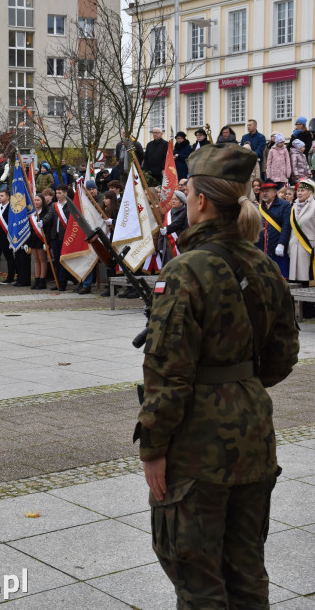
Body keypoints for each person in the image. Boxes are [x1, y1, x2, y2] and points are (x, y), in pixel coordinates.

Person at [135, 142, 299, 610]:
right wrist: (238, 380)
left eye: (187, 193)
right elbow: (284, 356)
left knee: (199, 583)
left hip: (197, 448)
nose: (185, 201)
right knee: (247, 576)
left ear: (202, 201)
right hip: (254, 435)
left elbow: (168, 372)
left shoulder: (186, 270)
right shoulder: (266, 266)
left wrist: (153, 448)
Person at [256, 182, 291, 278]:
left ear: (275, 192)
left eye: (267, 191)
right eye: (262, 191)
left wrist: (281, 243)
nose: (264, 193)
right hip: (261, 247)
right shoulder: (259, 207)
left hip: (277, 246)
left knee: (279, 278)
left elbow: (286, 225)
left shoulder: (285, 205)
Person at [288, 178, 315, 285]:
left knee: (308, 279)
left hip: (309, 246)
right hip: (295, 245)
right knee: (295, 281)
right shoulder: (294, 206)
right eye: (298, 190)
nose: (299, 193)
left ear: (311, 192)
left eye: (302, 190)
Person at [158, 190, 188, 265]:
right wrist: (160, 246)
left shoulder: (185, 211)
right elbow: (162, 229)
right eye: (172, 199)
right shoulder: (168, 213)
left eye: (176, 199)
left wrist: (167, 229)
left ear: (181, 202)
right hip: (167, 247)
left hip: (178, 246)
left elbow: (177, 223)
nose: (173, 201)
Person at [29, 193, 50, 289]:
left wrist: (47, 241)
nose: (36, 202)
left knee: (42, 260)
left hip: (42, 238)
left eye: (38, 200)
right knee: (36, 260)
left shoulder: (46, 212)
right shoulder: (32, 213)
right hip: (33, 239)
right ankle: (36, 279)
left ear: (42, 201)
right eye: (35, 200)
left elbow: (48, 227)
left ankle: (42, 280)